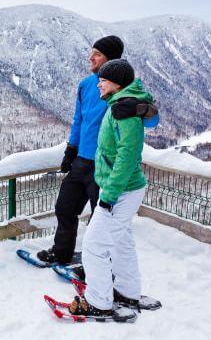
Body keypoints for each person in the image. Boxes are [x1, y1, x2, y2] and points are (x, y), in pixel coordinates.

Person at [68, 59, 154, 317]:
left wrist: (109, 196)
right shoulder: (121, 104)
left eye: (103, 80)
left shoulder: (123, 111)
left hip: (121, 190)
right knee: (121, 242)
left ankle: (99, 301)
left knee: (94, 245)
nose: (99, 84)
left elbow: (127, 156)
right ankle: (127, 292)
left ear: (117, 82)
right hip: (126, 188)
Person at [38, 36, 131, 264]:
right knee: (65, 207)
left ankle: (96, 263)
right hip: (82, 160)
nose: (91, 57)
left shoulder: (123, 88)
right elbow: (79, 120)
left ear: (111, 59)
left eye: (97, 54)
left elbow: (146, 120)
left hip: (105, 165)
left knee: (100, 219)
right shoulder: (86, 85)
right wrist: (71, 149)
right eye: (92, 52)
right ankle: (61, 253)